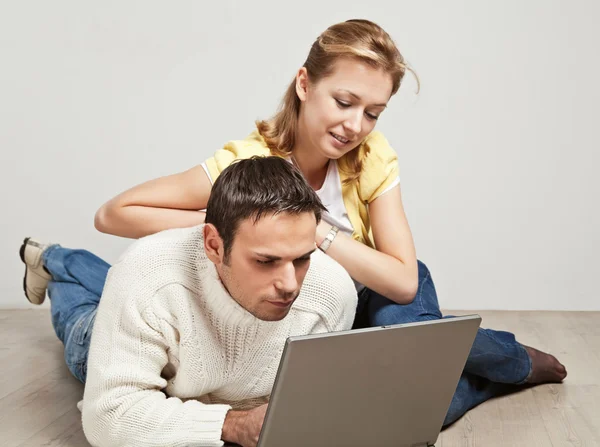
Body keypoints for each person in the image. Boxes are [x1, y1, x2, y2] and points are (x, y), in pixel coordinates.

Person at [20, 19, 566, 428]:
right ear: (305, 84)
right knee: (400, 411)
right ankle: (60, 261)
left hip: (368, 286)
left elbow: (401, 279)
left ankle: (514, 363)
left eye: (373, 112)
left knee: (412, 368)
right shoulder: (248, 165)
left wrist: (316, 230)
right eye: (345, 101)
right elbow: (114, 214)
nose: (356, 125)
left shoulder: (372, 157)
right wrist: (239, 224)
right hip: (294, 297)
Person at [22, 156, 358, 447]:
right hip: (138, 354)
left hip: (169, 345)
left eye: (301, 259)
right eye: (265, 261)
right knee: (80, 321)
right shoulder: (145, 271)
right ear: (214, 245)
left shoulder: (331, 294)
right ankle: (54, 264)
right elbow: (109, 415)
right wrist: (233, 425)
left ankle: (57, 259)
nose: (290, 285)